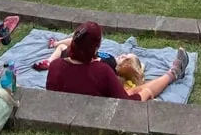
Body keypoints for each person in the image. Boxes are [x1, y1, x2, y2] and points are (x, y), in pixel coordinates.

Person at [46, 21, 188, 102]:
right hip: (92, 114)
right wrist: (145, 94)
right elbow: (125, 104)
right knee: (139, 91)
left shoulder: (55, 66)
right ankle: (173, 74)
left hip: (72, 106)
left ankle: (173, 73)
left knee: (132, 90)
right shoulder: (101, 71)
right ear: (95, 48)